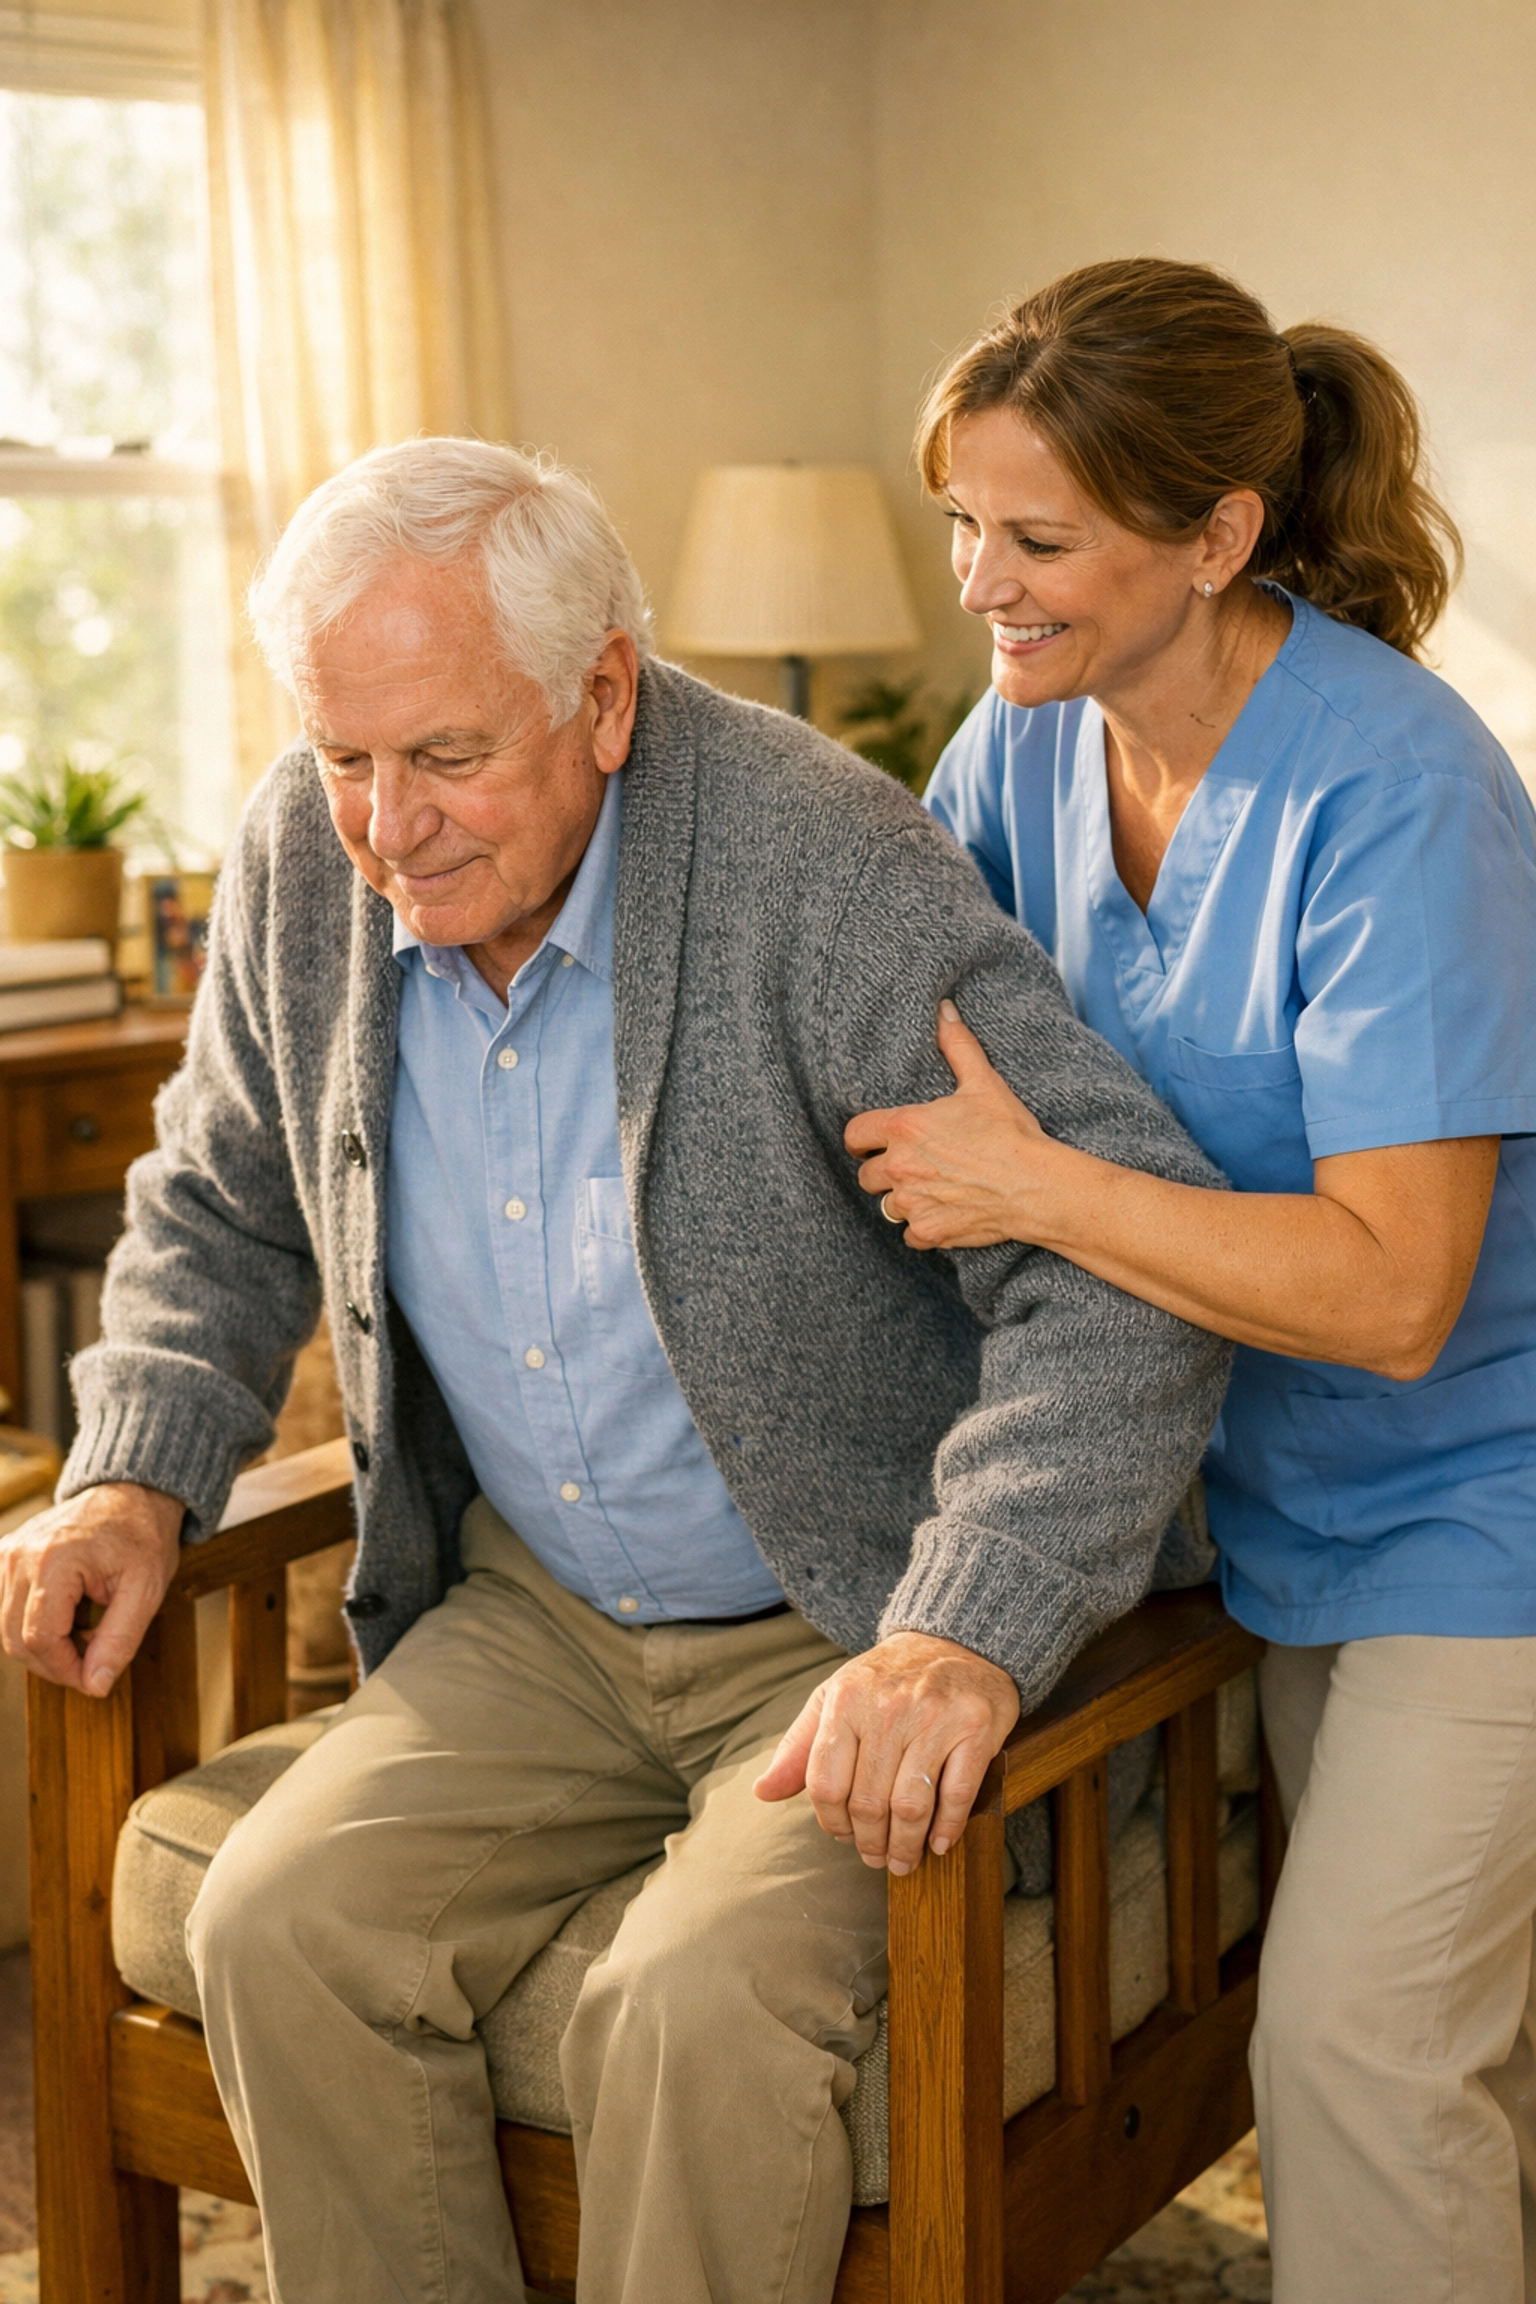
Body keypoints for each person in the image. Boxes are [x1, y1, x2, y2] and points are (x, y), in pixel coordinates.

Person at [0, 438, 1228, 2304]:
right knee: (278, 1921)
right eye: (345, 758)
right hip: (539, 1612)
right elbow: (224, 1198)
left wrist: (959, 1629)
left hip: (842, 1616)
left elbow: (1121, 1274)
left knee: (691, 2004)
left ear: (603, 694)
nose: (384, 829)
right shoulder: (304, 863)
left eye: (446, 760)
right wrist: (129, 1470)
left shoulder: (817, 868)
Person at [847, 257, 1536, 2304]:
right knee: (1438, 2062)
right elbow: (907, 1017)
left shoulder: (1398, 792)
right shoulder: (1023, 746)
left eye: (1038, 537)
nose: (982, 580)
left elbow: (1396, 1294)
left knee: (1364, 2050)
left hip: (1476, 1504)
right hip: (1249, 1506)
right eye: (965, 523)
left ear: (1218, 535)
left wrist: (1037, 1187)